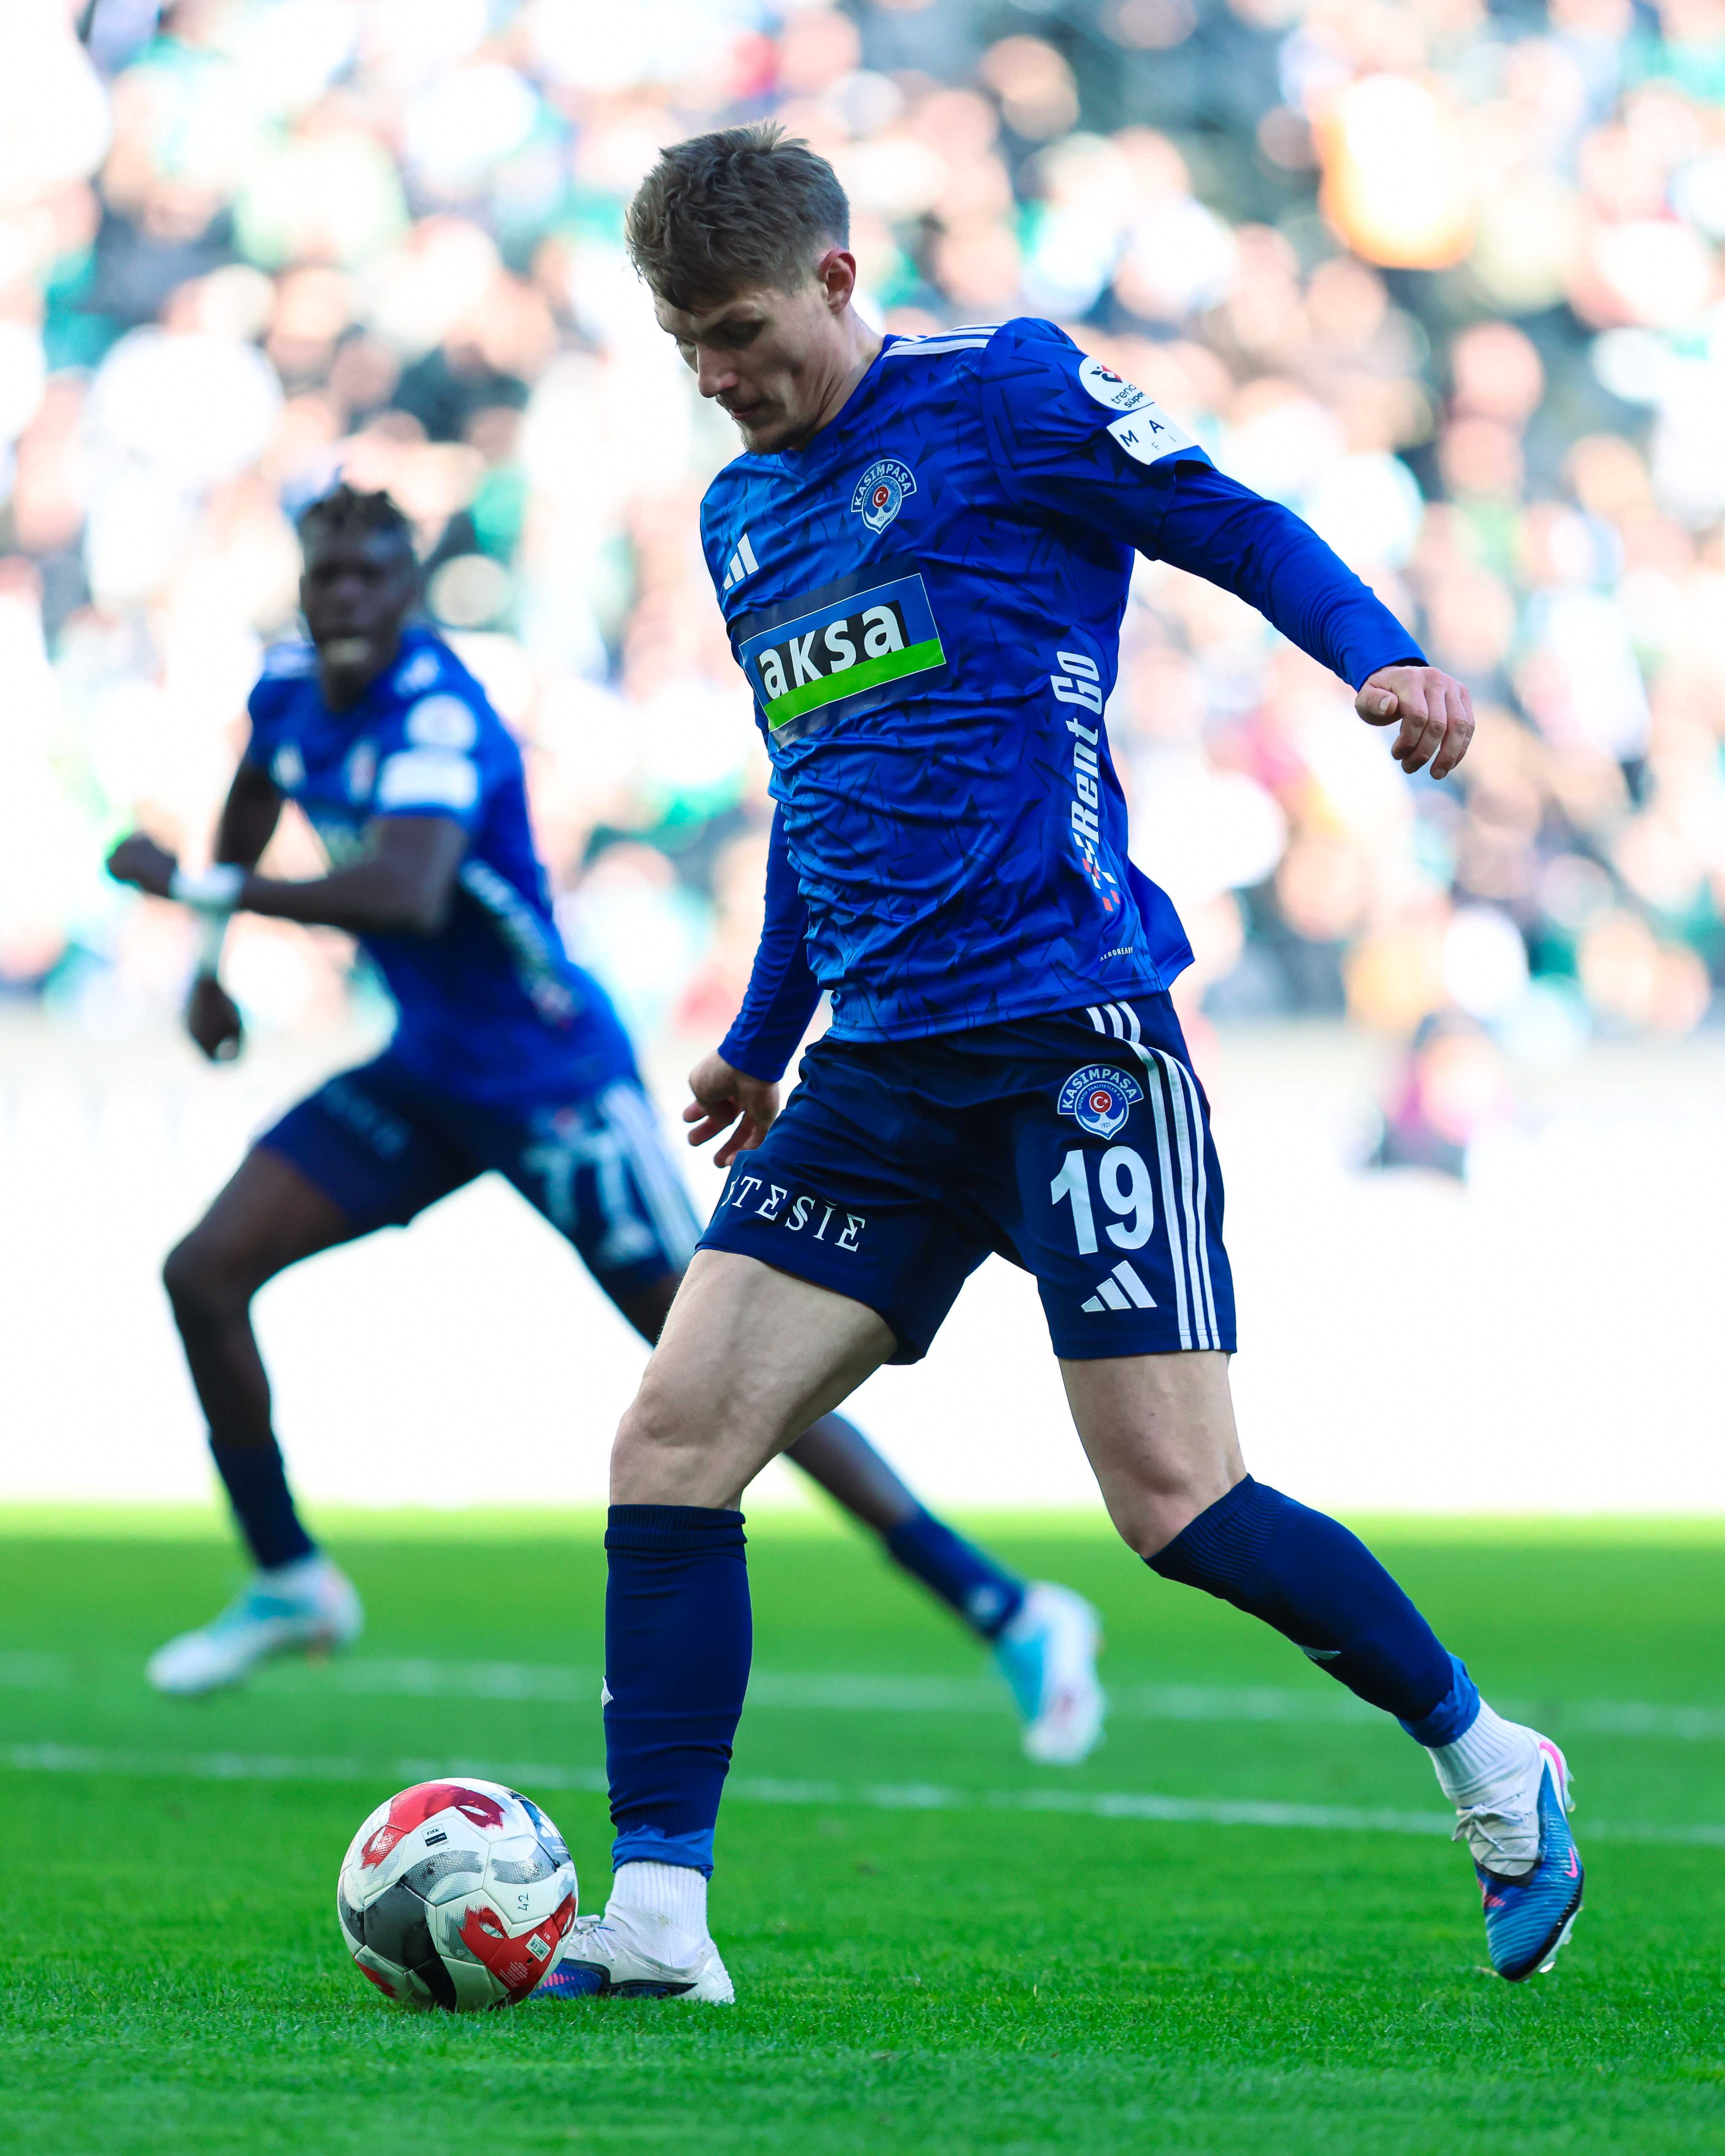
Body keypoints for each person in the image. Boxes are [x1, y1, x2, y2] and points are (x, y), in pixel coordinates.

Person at [535, 125, 1584, 2010]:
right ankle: (663, 1919)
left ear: (836, 281)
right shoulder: (739, 516)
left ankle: (1493, 1763)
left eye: (739, 332)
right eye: (686, 344)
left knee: (1175, 1506)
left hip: (1070, 1034)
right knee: (672, 1444)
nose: (714, 376)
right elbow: (817, 791)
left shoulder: (1006, 396)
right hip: (877, 1076)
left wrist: (1381, 658)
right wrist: (763, 1042)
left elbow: (1232, 521)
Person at [103, 481, 1105, 1767]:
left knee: (724, 1371)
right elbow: (255, 799)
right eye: (326, 574)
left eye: (369, 575)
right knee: (202, 1272)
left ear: (408, 592)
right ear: (301, 587)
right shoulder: (288, 691)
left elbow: (407, 892)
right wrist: (207, 965)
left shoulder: (437, 712)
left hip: (555, 1086)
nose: (345, 595)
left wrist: (201, 891)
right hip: (431, 1073)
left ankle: (1007, 1607)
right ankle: (290, 1576)